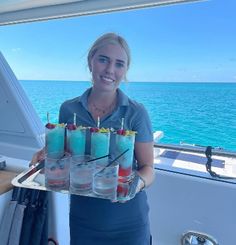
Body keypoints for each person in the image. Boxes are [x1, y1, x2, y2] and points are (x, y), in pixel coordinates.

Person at [32, 32, 155, 245]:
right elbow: (63, 157)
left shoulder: (136, 113)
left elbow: (148, 168)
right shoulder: (69, 109)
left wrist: (136, 184)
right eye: (103, 59)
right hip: (83, 220)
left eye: (119, 64)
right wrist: (46, 158)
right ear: (91, 61)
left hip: (129, 223)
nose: (110, 70)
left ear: (125, 71)